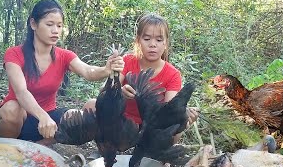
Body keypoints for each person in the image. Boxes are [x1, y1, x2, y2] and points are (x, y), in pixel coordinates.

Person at [0, 0, 125, 144]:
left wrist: (106, 69)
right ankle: (10, 146)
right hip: (19, 120)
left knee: (91, 111)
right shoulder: (14, 53)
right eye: (49, 24)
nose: (55, 30)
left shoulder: (64, 55)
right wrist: (42, 116)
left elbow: (89, 71)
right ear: (33, 24)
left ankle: (40, 146)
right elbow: (21, 92)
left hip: (50, 122)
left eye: (59, 26)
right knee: (12, 109)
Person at [84, 12, 199, 143]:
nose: (153, 44)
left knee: (176, 123)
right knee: (91, 105)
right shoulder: (127, 61)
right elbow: (103, 94)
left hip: (151, 129)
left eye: (159, 40)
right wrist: (118, 92)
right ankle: (105, 149)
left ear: (166, 43)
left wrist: (184, 116)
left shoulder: (173, 74)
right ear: (138, 41)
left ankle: (160, 159)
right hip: (121, 124)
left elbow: (170, 110)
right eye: (147, 39)